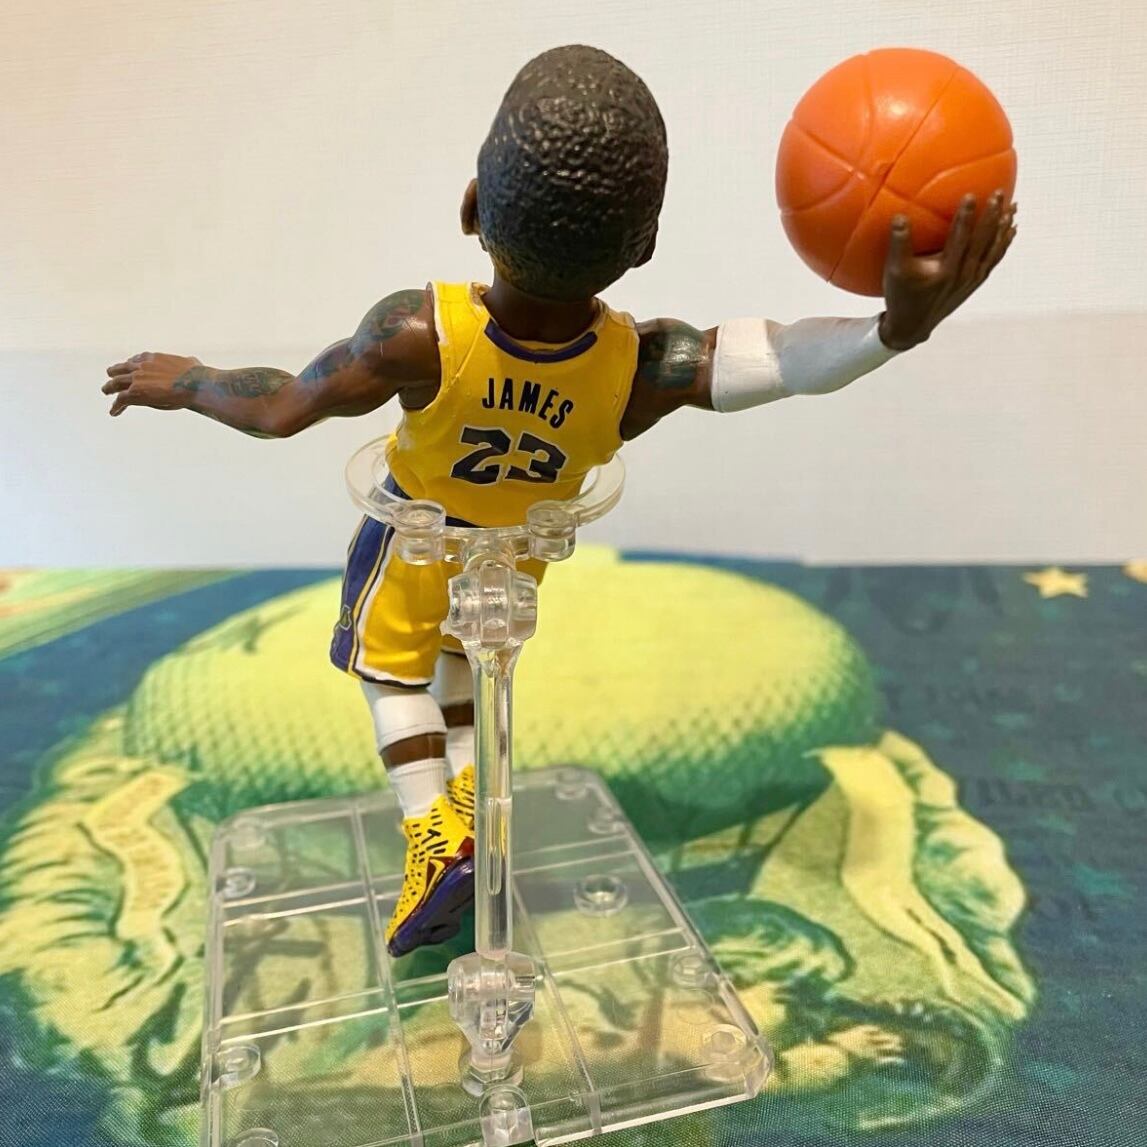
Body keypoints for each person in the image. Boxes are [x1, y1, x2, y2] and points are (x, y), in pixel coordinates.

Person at [102, 44, 1016, 957]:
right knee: (463, 666)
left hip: (415, 534)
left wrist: (191, 381)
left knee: (389, 675)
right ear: (642, 248)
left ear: (472, 207)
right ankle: (471, 806)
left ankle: (431, 831)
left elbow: (280, 407)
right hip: (516, 557)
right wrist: (890, 329)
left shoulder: (417, 334)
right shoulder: (638, 367)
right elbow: (777, 359)